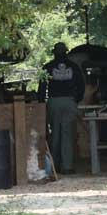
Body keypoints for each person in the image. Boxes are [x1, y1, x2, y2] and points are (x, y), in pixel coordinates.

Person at [38, 42, 84, 175]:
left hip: (53, 102)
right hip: (69, 101)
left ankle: (55, 166)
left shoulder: (48, 67)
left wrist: (42, 103)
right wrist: (75, 100)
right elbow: (81, 85)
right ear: (66, 52)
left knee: (55, 133)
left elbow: (42, 87)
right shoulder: (74, 67)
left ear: (54, 52)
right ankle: (67, 166)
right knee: (68, 134)